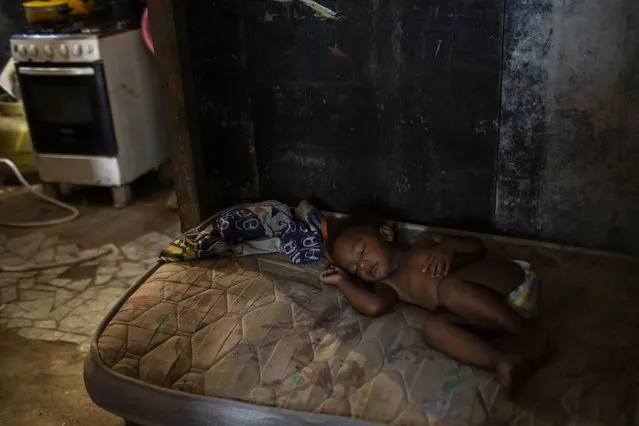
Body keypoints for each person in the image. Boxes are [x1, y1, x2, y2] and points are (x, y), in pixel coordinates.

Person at [319, 214, 547, 397]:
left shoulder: (424, 242)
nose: (363, 264)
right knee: (434, 328)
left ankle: (527, 332)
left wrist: (448, 248)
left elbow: (477, 247)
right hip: (484, 317)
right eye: (355, 269)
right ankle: (503, 361)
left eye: (361, 251)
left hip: (505, 281)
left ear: (386, 234)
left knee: (449, 289)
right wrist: (343, 281)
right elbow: (372, 306)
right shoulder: (388, 287)